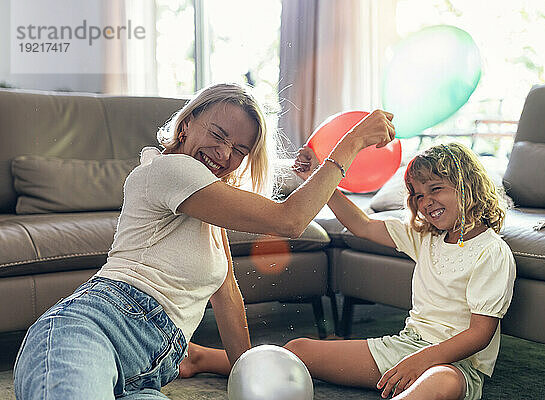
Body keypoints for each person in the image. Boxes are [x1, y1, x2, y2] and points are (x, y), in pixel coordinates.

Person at [13, 82, 395, 400]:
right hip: (92, 328)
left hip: (148, 372)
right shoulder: (168, 170)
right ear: (187, 122)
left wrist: (250, 375)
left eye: (241, 150)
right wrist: (354, 140)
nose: (225, 153)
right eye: (218, 134)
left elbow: (227, 297)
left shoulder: (207, 213)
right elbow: (290, 220)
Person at [180, 142, 516, 400]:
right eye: (417, 195)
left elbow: (479, 334)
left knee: (442, 381)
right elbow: (362, 224)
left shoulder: (491, 252)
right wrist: (318, 178)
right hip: (404, 348)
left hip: (456, 365)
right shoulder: (424, 236)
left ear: (467, 185)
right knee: (298, 350)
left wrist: (422, 362)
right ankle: (204, 358)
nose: (425, 201)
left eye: (435, 189)